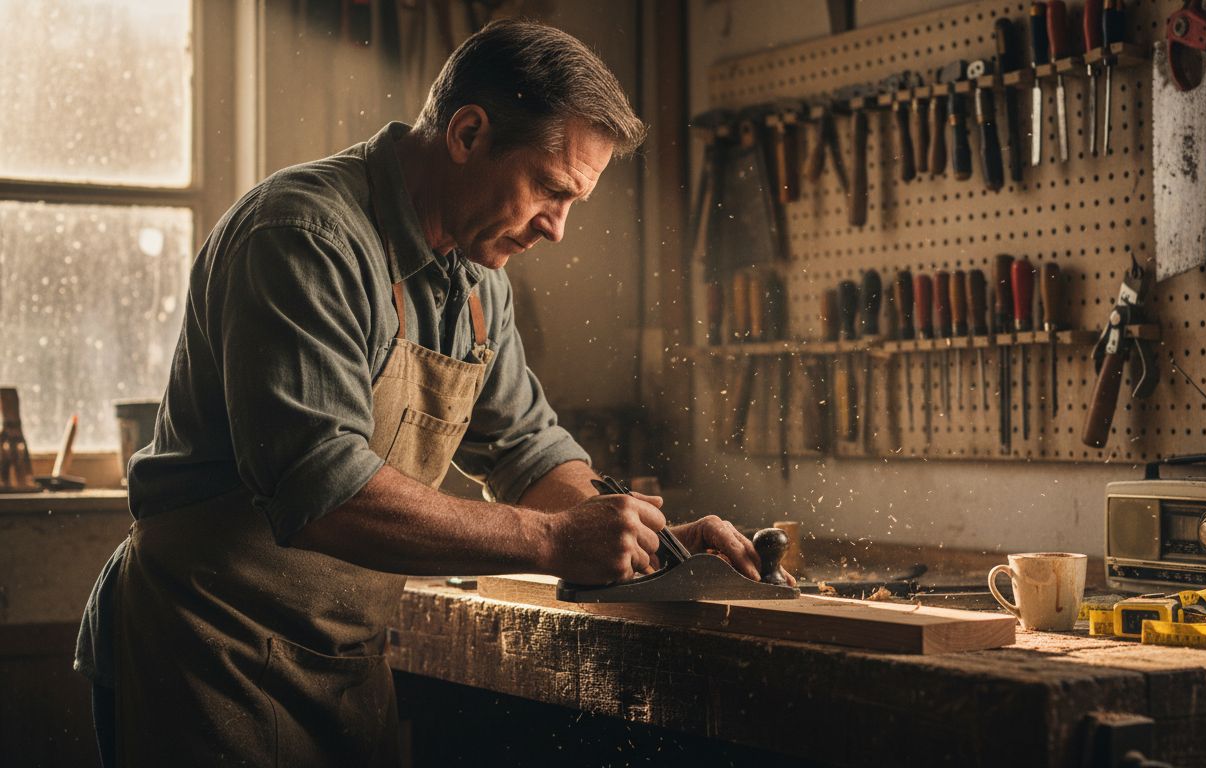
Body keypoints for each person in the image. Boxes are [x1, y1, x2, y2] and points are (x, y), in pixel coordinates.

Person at [75, 19, 774, 766]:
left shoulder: (478, 281)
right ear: (467, 134)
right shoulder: (304, 236)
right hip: (211, 650)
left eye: (574, 202)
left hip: (345, 659)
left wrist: (652, 546)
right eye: (549, 189)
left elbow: (530, 451)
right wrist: (555, 541)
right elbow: (321, 488)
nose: (559, 229)